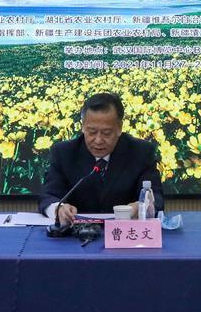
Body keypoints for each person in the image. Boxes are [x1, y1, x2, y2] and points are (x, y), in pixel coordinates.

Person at [39, 92, 163, 226]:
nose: (98, 140)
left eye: (106, 133)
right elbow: (48, 196)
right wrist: (58, 208)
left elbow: (156, 198)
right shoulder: (64, 153)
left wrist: (142, 206)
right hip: (77, 232)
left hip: (125, 231)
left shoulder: (141, 152)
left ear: (119, 128)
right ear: (83, 126)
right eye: (92, 132)